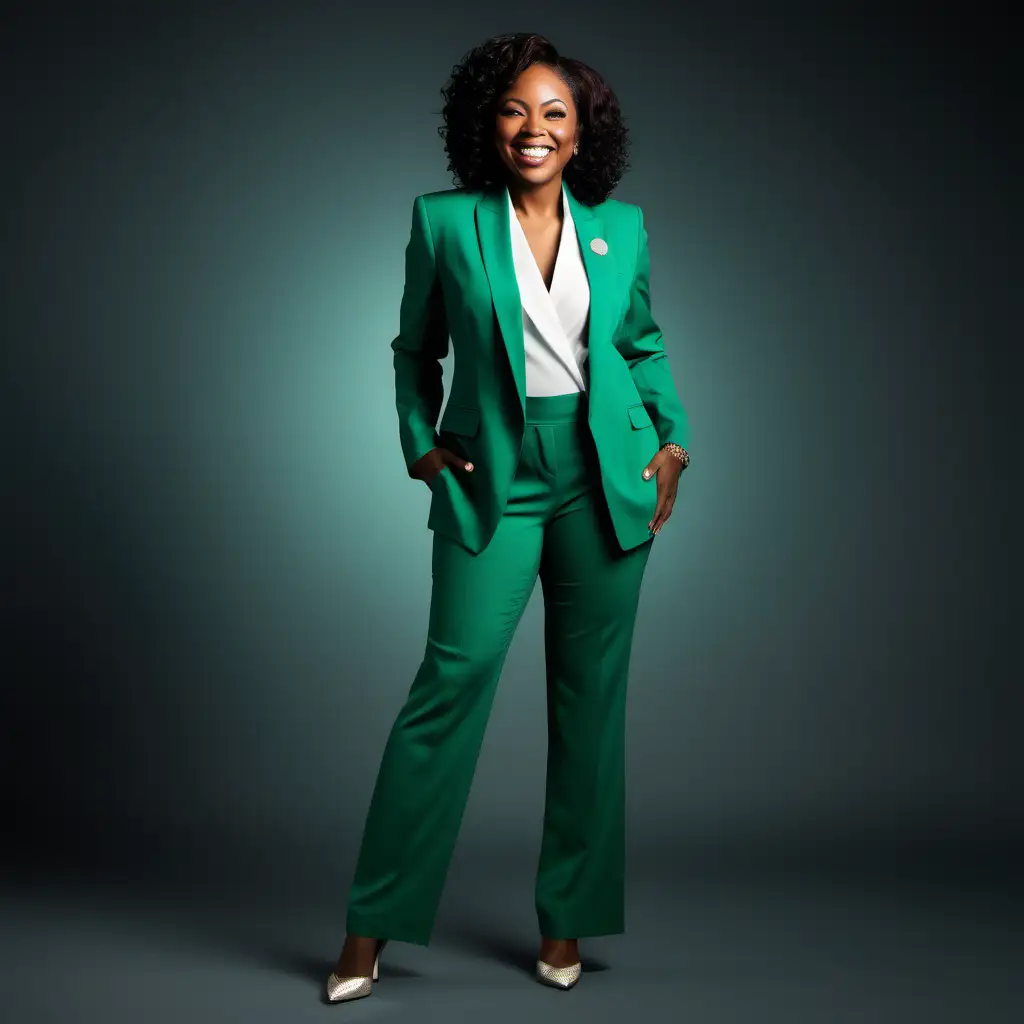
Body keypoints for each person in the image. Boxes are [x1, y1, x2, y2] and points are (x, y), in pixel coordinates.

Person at [326, 32, 690, 1003]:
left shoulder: (623, 229)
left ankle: (566, 919)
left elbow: (641, 346)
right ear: (486, 123)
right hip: (493, 475)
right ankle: (371, 928)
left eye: (555, 114)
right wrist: (420, 446)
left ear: (583, 136)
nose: (534, 128)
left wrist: (674, 438)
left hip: (603, 473)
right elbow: (413, 350)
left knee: (590, 703)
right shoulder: (444, 221)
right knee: (451, 683)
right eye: (515, 110)